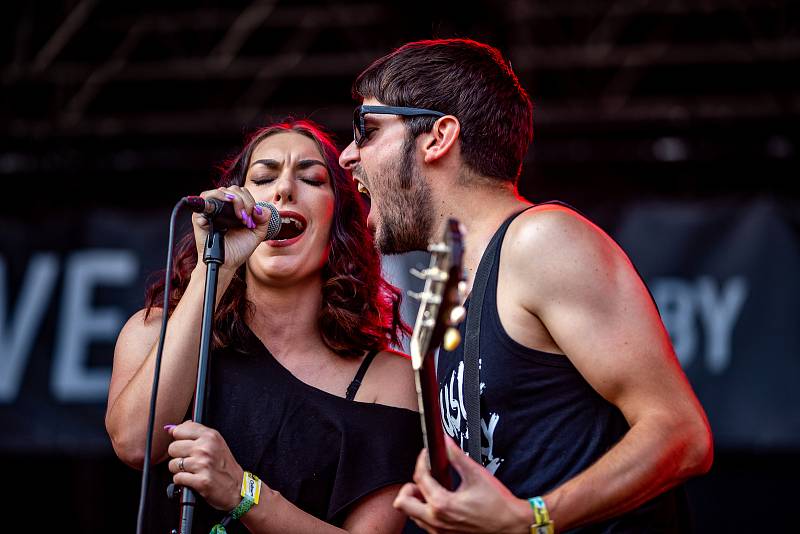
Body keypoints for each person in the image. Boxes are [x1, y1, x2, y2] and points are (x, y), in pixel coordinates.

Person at [339, 39, 714, 533]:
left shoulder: (541, 240)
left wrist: (530, 518)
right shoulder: (457, 289)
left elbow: (682, 434)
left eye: (366, 130)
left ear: (437, 137)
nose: (347, 156)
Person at [106, 119, 422, 533]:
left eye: (310, 178)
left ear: (338, 219)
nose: (284, 189)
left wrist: (244, 493)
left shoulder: (388, 378)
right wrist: (212, 268)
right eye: (263, 176)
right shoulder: (155, 332)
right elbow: (135, 443)